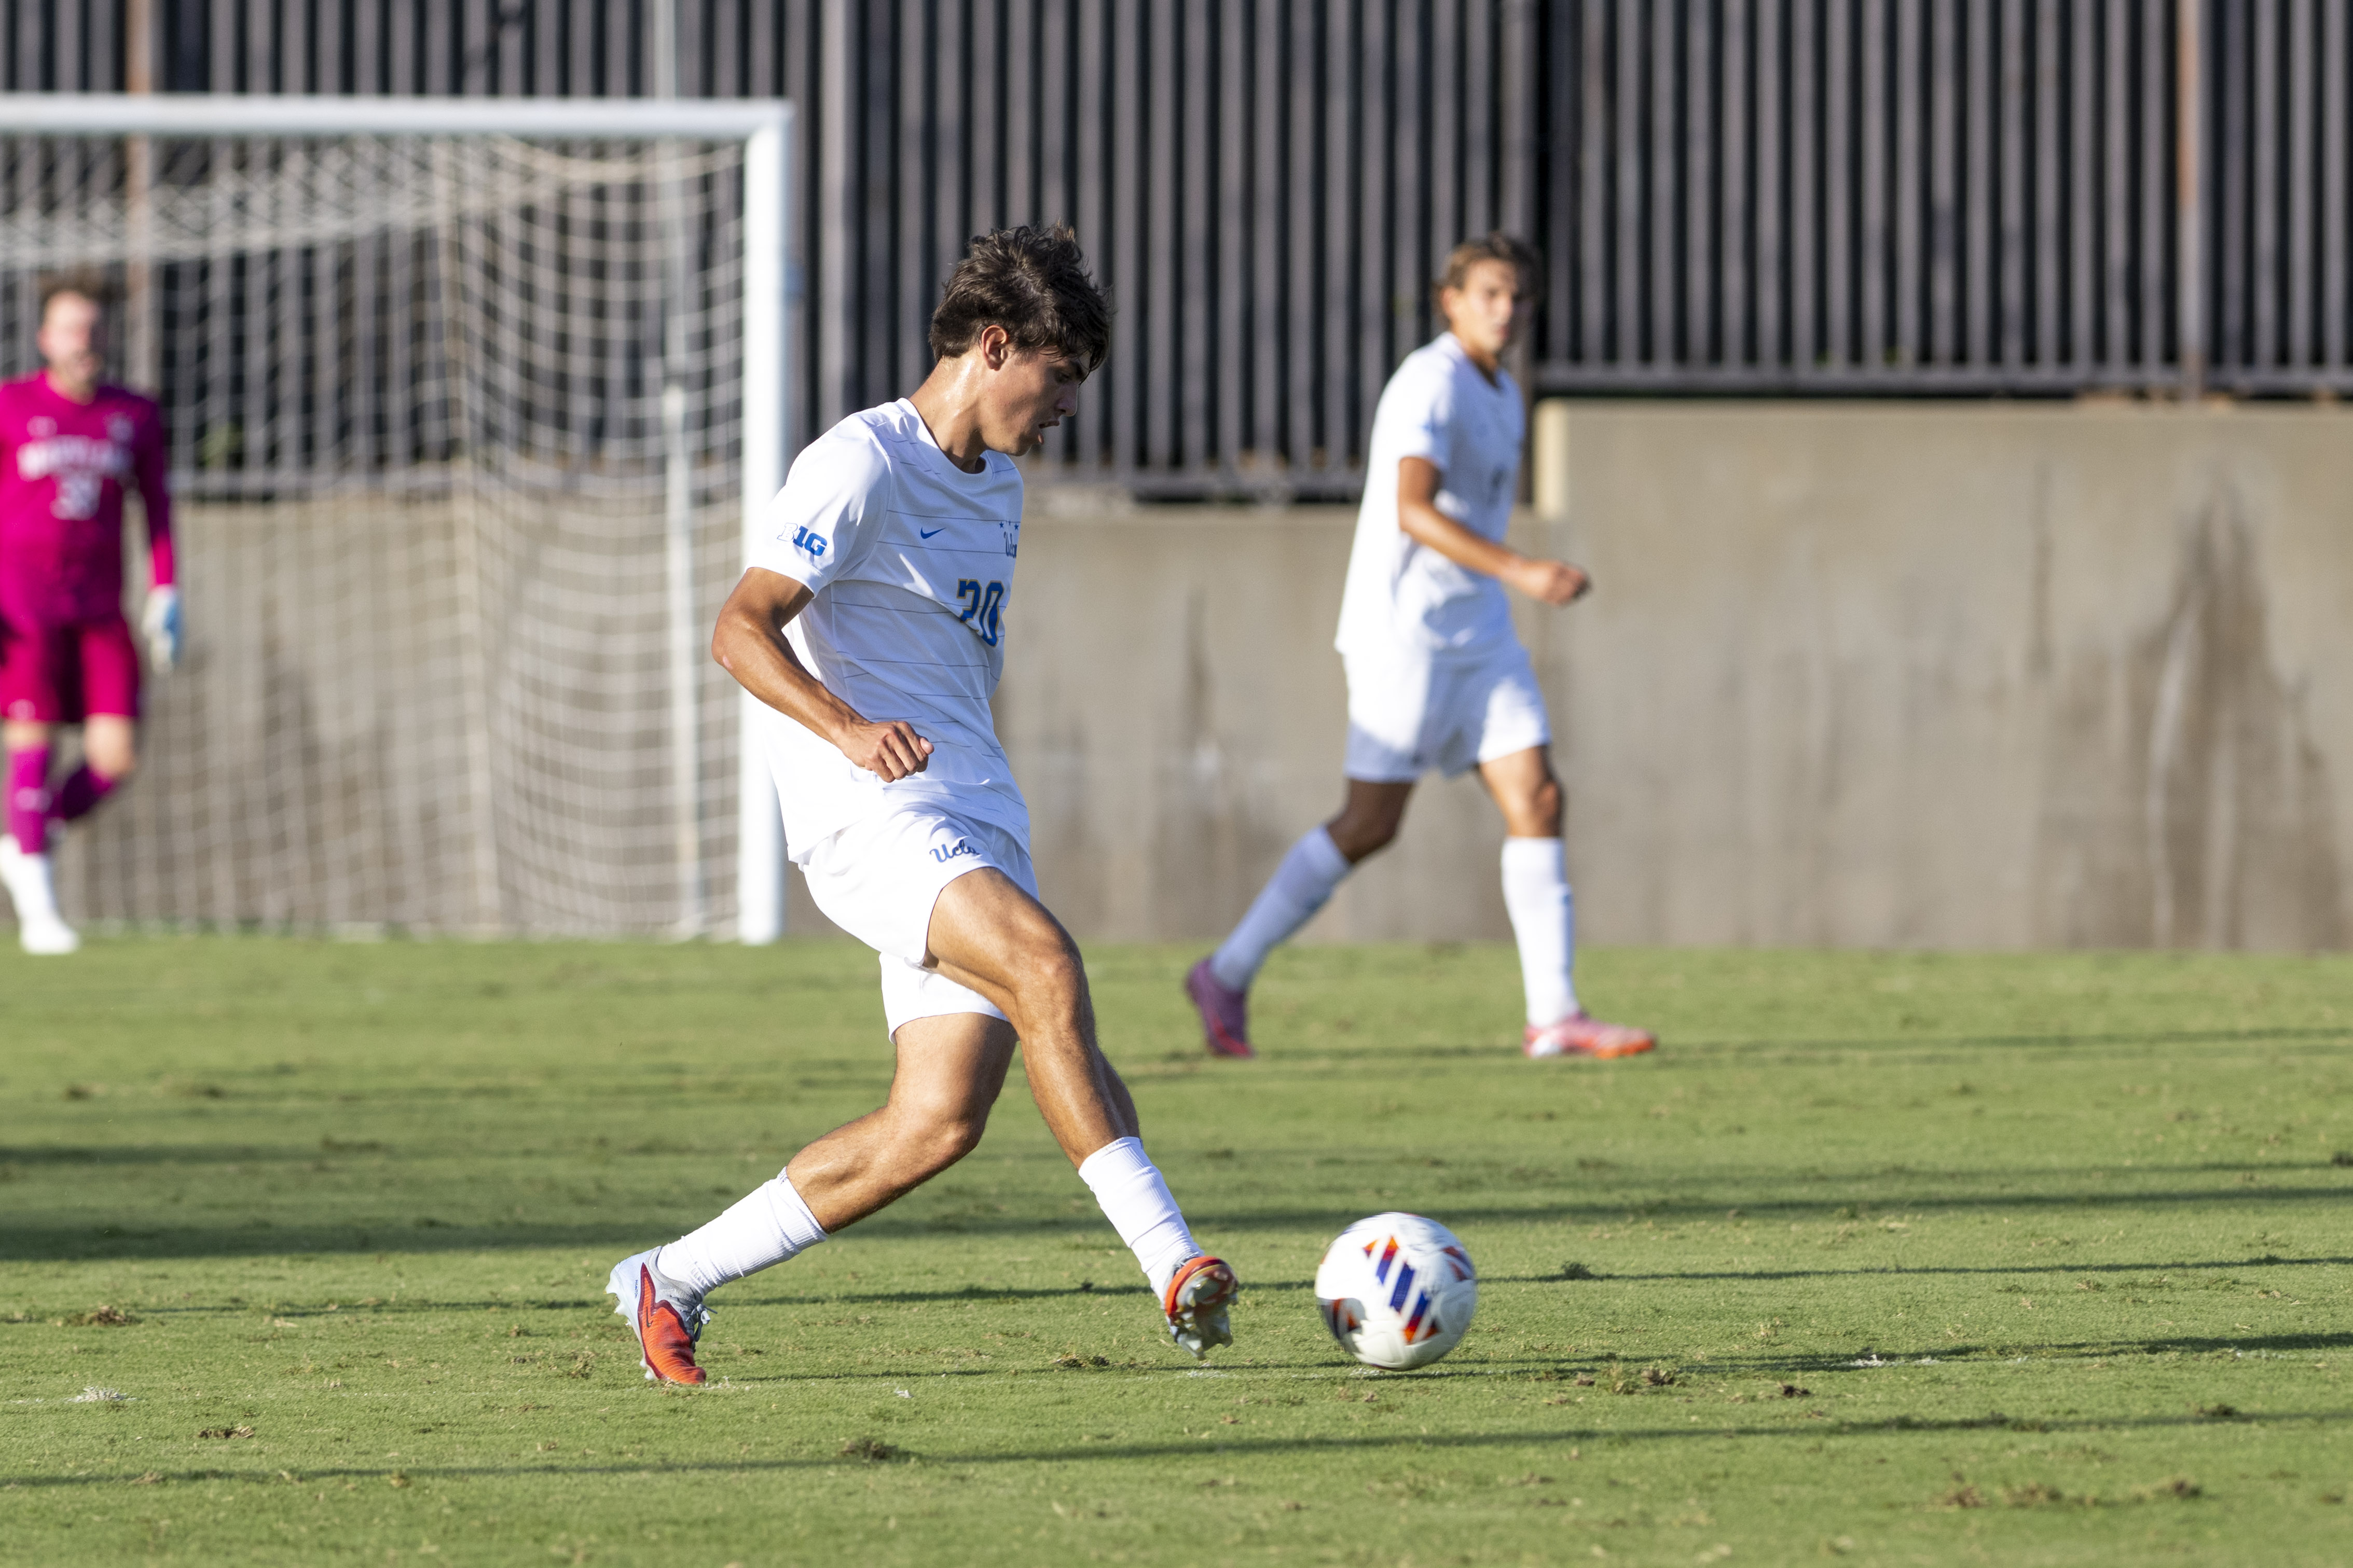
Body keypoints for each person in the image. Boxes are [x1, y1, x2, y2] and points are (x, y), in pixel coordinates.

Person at [606, 226, 1236, 1385]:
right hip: (873, 813)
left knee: (937, 1125)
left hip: (977, 811)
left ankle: (667, 1276)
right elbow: (739, 627)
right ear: (995, 347)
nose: (1063, 412)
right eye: (1058, 379)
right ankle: (1175, 1261)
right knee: (1047, 969)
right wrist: (848, 729)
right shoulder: (859, 461)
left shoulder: (997, 486)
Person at [1185, 234, 1655, 1063]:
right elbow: (1413, 508)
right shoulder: (1428, 382)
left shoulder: (1503, 389)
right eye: (1489, 295)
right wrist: (1523, 570)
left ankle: (1555, 1015)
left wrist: (1503, 585)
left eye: (1517, 298)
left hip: (1480, 635)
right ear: (1451, 299)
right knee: (1371, 823)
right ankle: (1226, 972)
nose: (1505, 312)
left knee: (1539, 798)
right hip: (1405, 632)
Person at [0, 280, 180, 956]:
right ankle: (40, 910)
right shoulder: (10, 406)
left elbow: (156, 505)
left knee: (116, 755)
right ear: (46, 339)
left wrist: (167, 589)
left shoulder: (132, 413)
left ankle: (24, 842)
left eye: (94, 328)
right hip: (22, 605)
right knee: (33, 739)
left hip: (100, 606)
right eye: (72, 329)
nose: (85, 341)